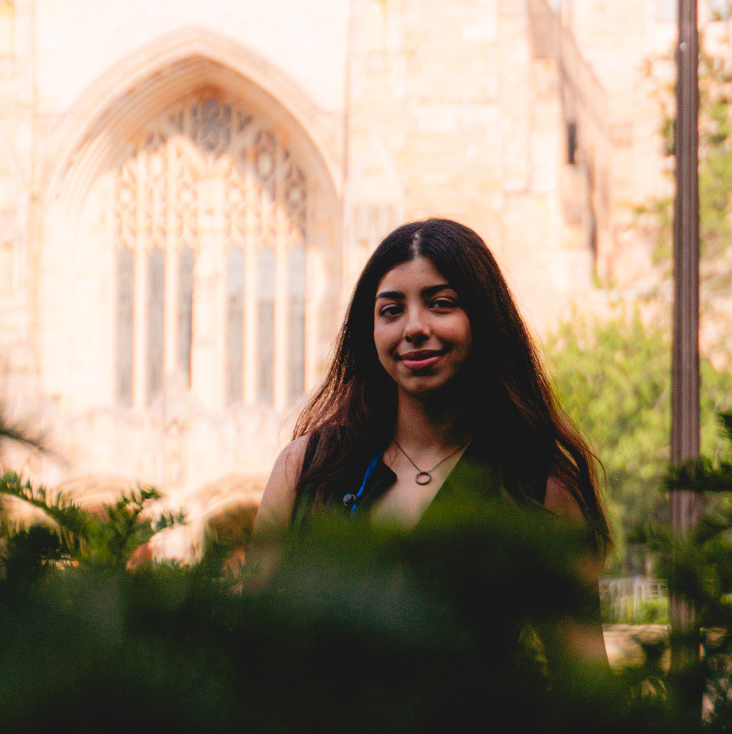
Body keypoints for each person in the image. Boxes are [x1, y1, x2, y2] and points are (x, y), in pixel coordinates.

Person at [253, 218, 610, 648]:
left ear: (484, 318)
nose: (414, 328)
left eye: (441, 304)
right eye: (391, 310)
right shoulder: (306, 469)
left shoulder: (536, 490)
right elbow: (248, 645)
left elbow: (583, 672)